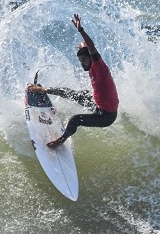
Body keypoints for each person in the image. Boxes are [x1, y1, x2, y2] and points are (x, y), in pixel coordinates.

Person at [28, 14, 119, 149]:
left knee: (76, 120)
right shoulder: (92, 65)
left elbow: (92, 48)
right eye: (80, 61)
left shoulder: (99, 67)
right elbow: (89, 48)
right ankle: (43, 90)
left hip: (106, 116)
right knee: (71, 93)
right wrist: (83, 46)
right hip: (98, 104)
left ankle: (61, 141)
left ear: (91, 58)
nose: (82, 64)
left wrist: (80, 30)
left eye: (84, 60)